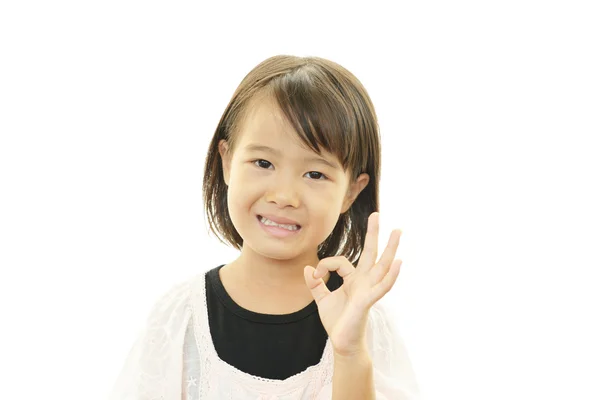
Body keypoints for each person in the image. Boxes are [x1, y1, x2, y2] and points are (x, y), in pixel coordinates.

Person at [109, 55, 420, 399]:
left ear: (351, 192)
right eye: (263, 162)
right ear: (227, 161)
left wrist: (349, 354)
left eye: (315, 174)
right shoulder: (179, 319)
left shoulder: (364, 322)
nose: (284, 196)